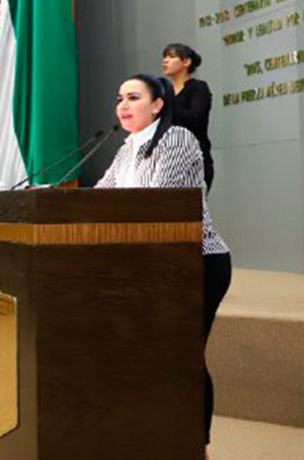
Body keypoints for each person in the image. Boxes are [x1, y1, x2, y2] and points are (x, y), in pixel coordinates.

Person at [96, 74, 231, 459]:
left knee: (184, 356)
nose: (123, 105)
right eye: (119, 98)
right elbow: (98, 200)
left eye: (133, 97)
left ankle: (196, 449)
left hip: (196, 261)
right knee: (151, 356)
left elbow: (156, 203)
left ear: (157, 105)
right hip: (148, 265)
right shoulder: (126, 150)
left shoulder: (176, 138)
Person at [162, 43, 214, 191]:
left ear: (186, 62)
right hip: (167, 161)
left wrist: (168, 103)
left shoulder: (198, 87)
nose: (165, 60)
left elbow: (195, 118)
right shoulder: (164, 93)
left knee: (190, 204)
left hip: (194, 160)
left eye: (171, 56)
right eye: (164, 57)